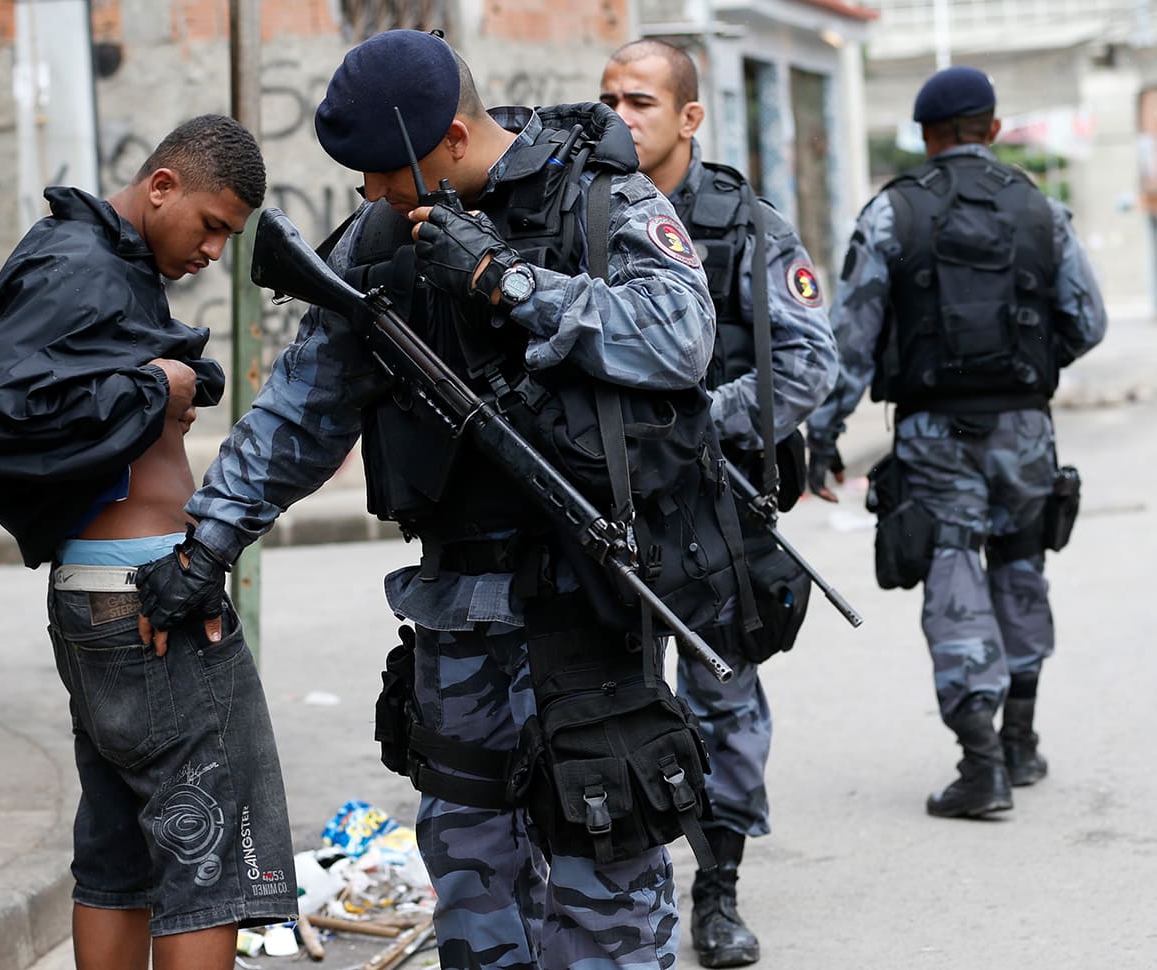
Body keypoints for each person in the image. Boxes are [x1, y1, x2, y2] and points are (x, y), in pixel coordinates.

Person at [142, 29, 751, 970]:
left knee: (604, 884)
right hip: (458, 615)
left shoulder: (597, 199)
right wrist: (208, 543)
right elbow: (300, 414)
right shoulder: (382, 243)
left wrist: (513, 284)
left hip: (588, 601)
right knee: (471, 875)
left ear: (458, 138)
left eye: (391, 173)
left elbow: (680, 339)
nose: (376, 196)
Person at [0, 114, 296, 970]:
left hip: (105, 601)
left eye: (231, 235)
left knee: (121, 856)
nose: (216, 250)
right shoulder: (84, 265)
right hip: (150, 604)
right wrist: (156, 386)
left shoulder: (100, 261)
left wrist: (167, 378)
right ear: (161, 186)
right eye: (211, 224)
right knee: (209, 858)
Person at [807, 66, 1106, 819]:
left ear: (926, 136)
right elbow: (1088, 320)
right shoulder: (1042, 211)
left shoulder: (892, 216)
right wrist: (1031, 366)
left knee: (953, 578)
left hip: (936, 432)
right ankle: (1022, 743)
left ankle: (981, 767)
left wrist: (822, 431)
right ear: (994, 129)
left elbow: (850, 342)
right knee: (1020, 567)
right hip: (1026, 428)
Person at [600, 39, 838, 969]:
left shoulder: (745, 225)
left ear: (689, 118)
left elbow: (812, 359)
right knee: (603, 697)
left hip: (717, 504)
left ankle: (720, 885)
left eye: (642, 102)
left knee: (723, 699)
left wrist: (696, 420)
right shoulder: (584, 210)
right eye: (609, 98)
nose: (620, 116)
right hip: (608, 506)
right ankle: (615, 887)